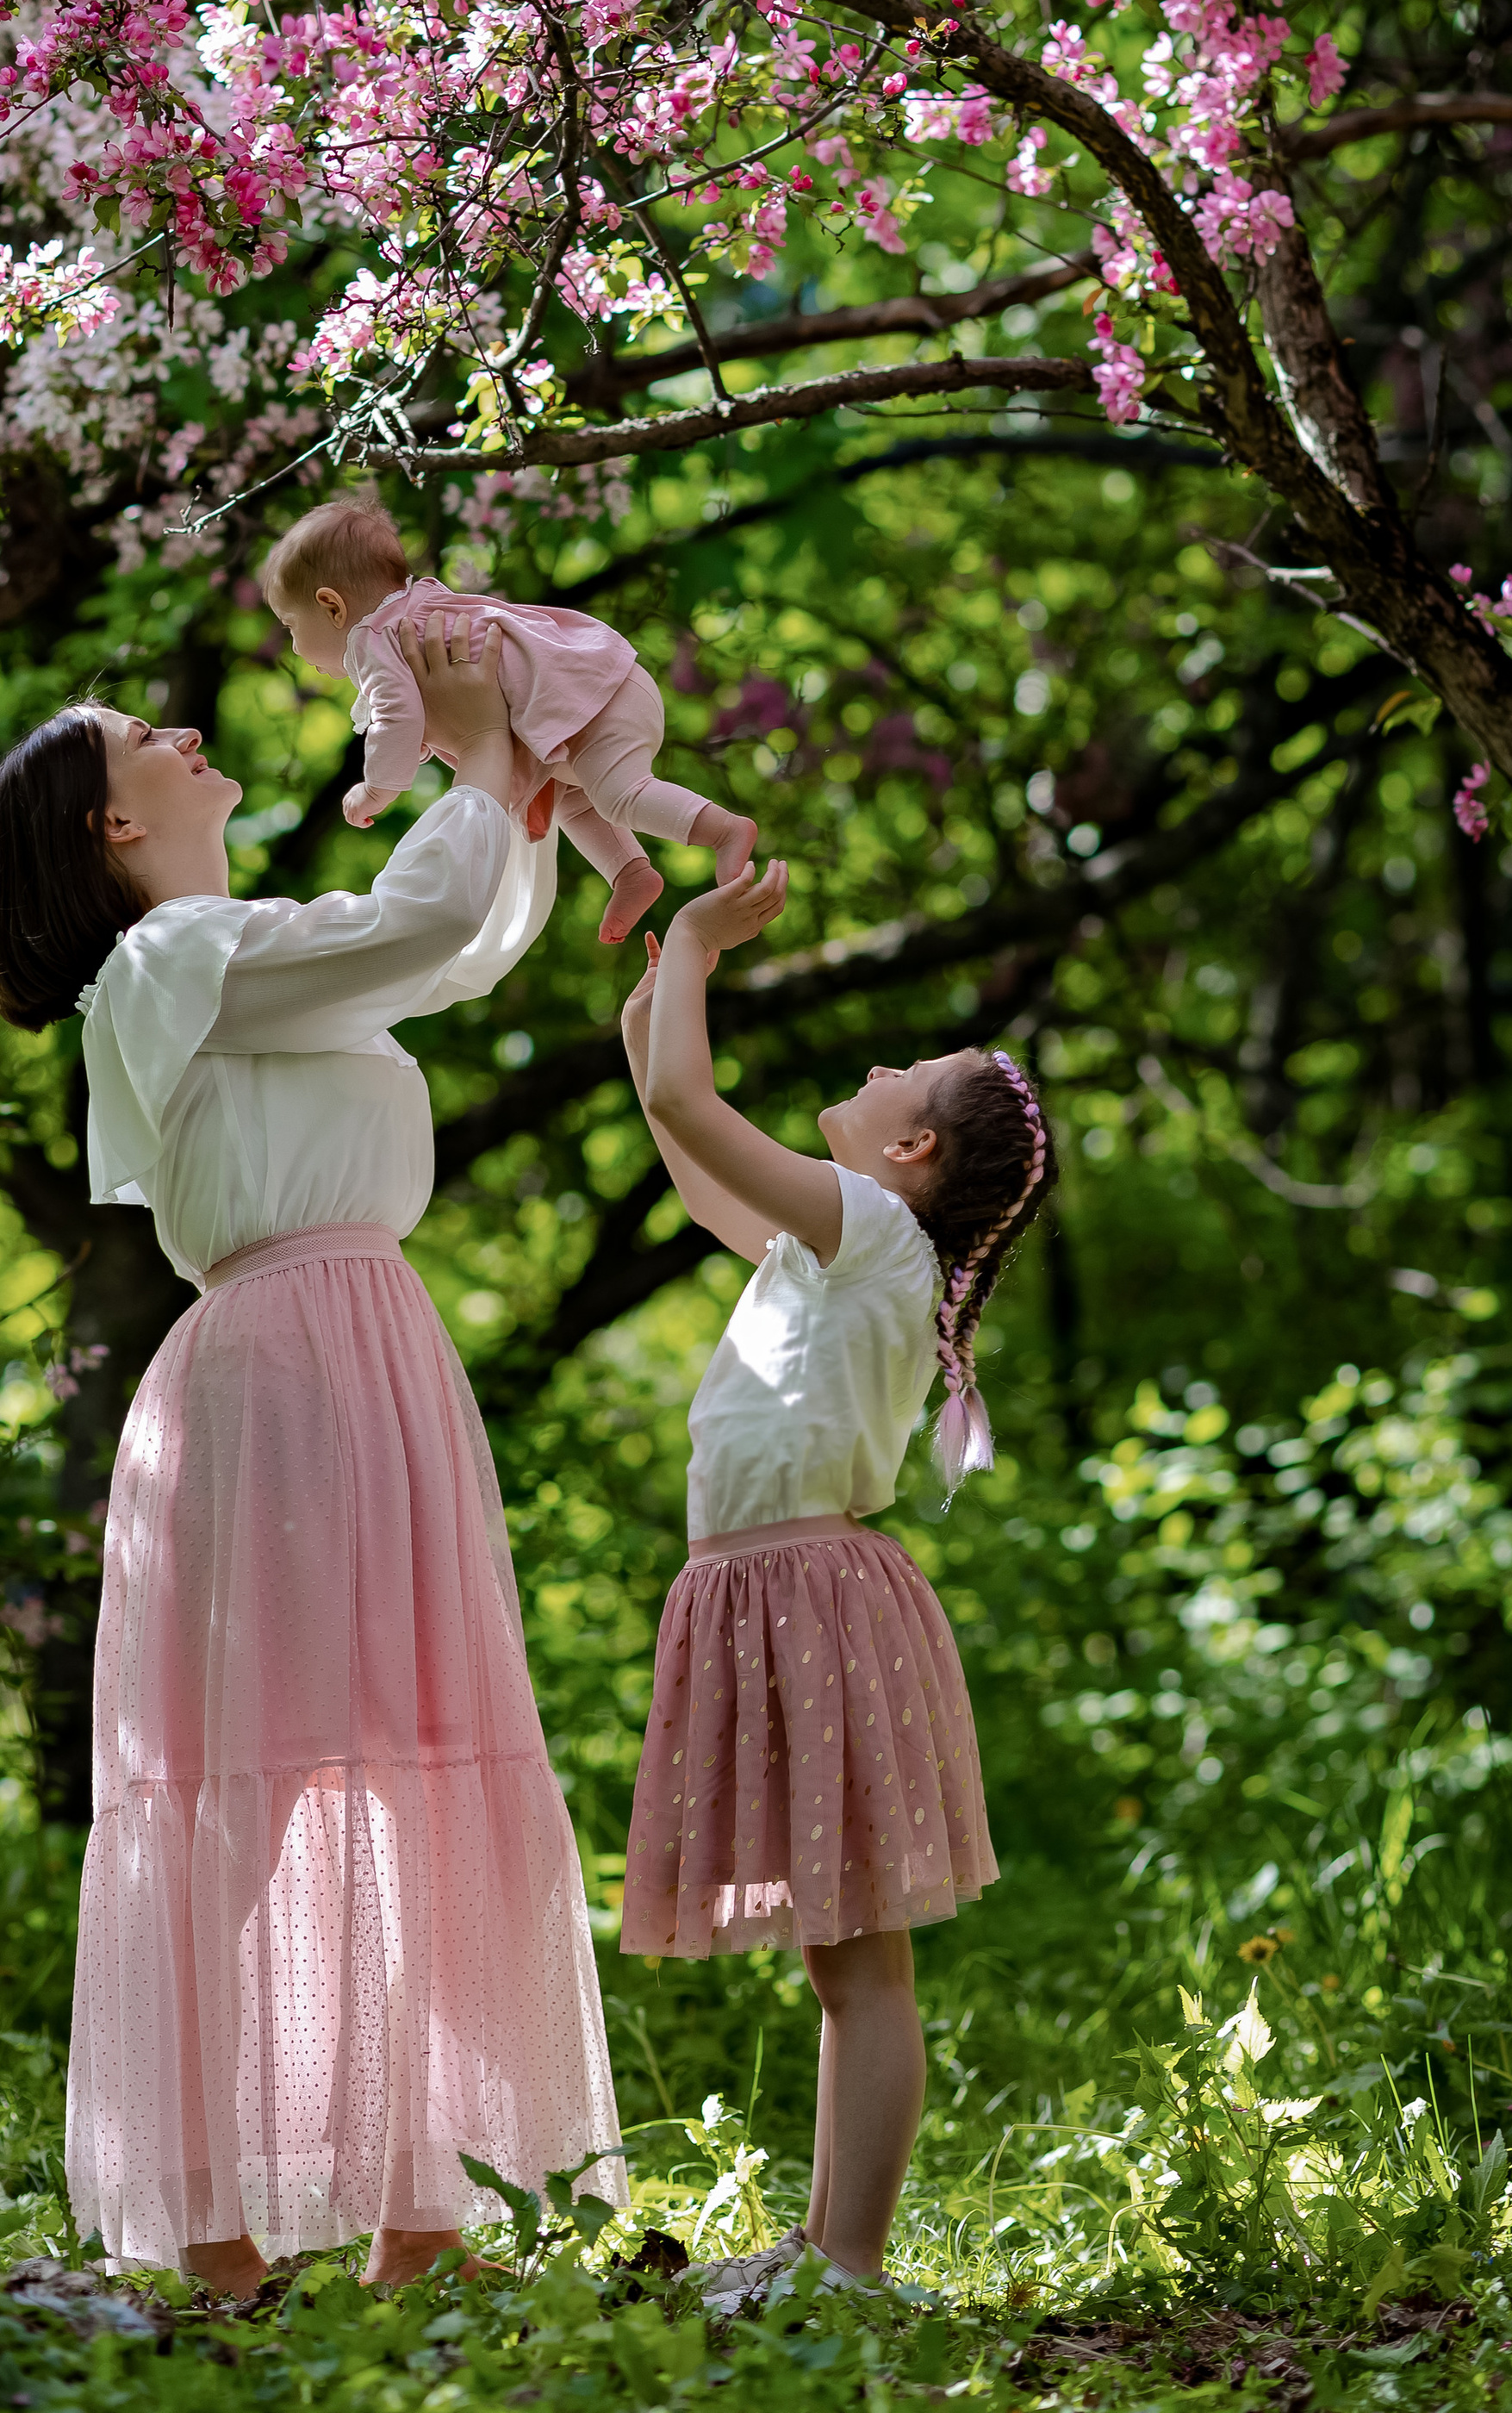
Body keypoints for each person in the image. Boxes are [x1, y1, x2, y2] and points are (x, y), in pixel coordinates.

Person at [0, 612, 624, 2289]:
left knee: (401, 1752)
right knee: (270, 1785)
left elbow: (442, 950)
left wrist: (508, 791)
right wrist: (475, 756)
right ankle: (219, 2232)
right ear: (112, 825)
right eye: (145, 741)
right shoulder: (162, 964)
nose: (184, 739)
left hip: (360, 1347)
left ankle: (422, 2206)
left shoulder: (229, 947)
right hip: (281, 1365)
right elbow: (406, 931)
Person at [613, 863, 1055, 2305]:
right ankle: (824, 2251)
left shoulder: (868, 1234)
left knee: (861, 1967)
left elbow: (692, 1109)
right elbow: (681, 1143)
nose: (870, 1065)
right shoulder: (834, 1249)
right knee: (836, 1960)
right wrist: (655, 975)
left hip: (806, 1598)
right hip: (777, 1595)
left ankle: (849, 2266)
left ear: (913, 1145)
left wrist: (692, 945)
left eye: (896, 1071)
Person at [260, 489, 756, 945]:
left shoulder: (373, 639)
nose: (294, 646)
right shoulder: (420, 607)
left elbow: (396, 714)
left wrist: (377, 787)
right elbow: (425, 709)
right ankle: (630, 872)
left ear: (332, 606)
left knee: (620, 794)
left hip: (594, 701)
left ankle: (723, 830)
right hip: (593, 694)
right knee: (576, 801)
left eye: (290, 625)